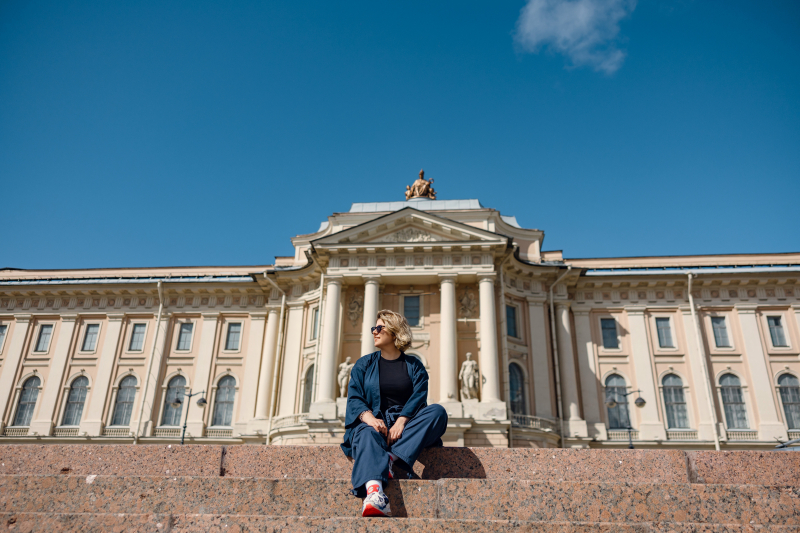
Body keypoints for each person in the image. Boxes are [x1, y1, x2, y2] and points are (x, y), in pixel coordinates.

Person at [340, 309, 448, 518]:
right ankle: (374, 495)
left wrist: (401, 421)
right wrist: (369, 418)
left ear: (395, 331)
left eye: (380, 327)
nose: (374, 332)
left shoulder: (414, 366)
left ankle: (391, 456)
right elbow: (354, 398)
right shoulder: (364, 364)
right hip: (372, 424)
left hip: (405, 427)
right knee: (365, 434)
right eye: (374, 328)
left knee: (438, 412)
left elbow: (419, 397)